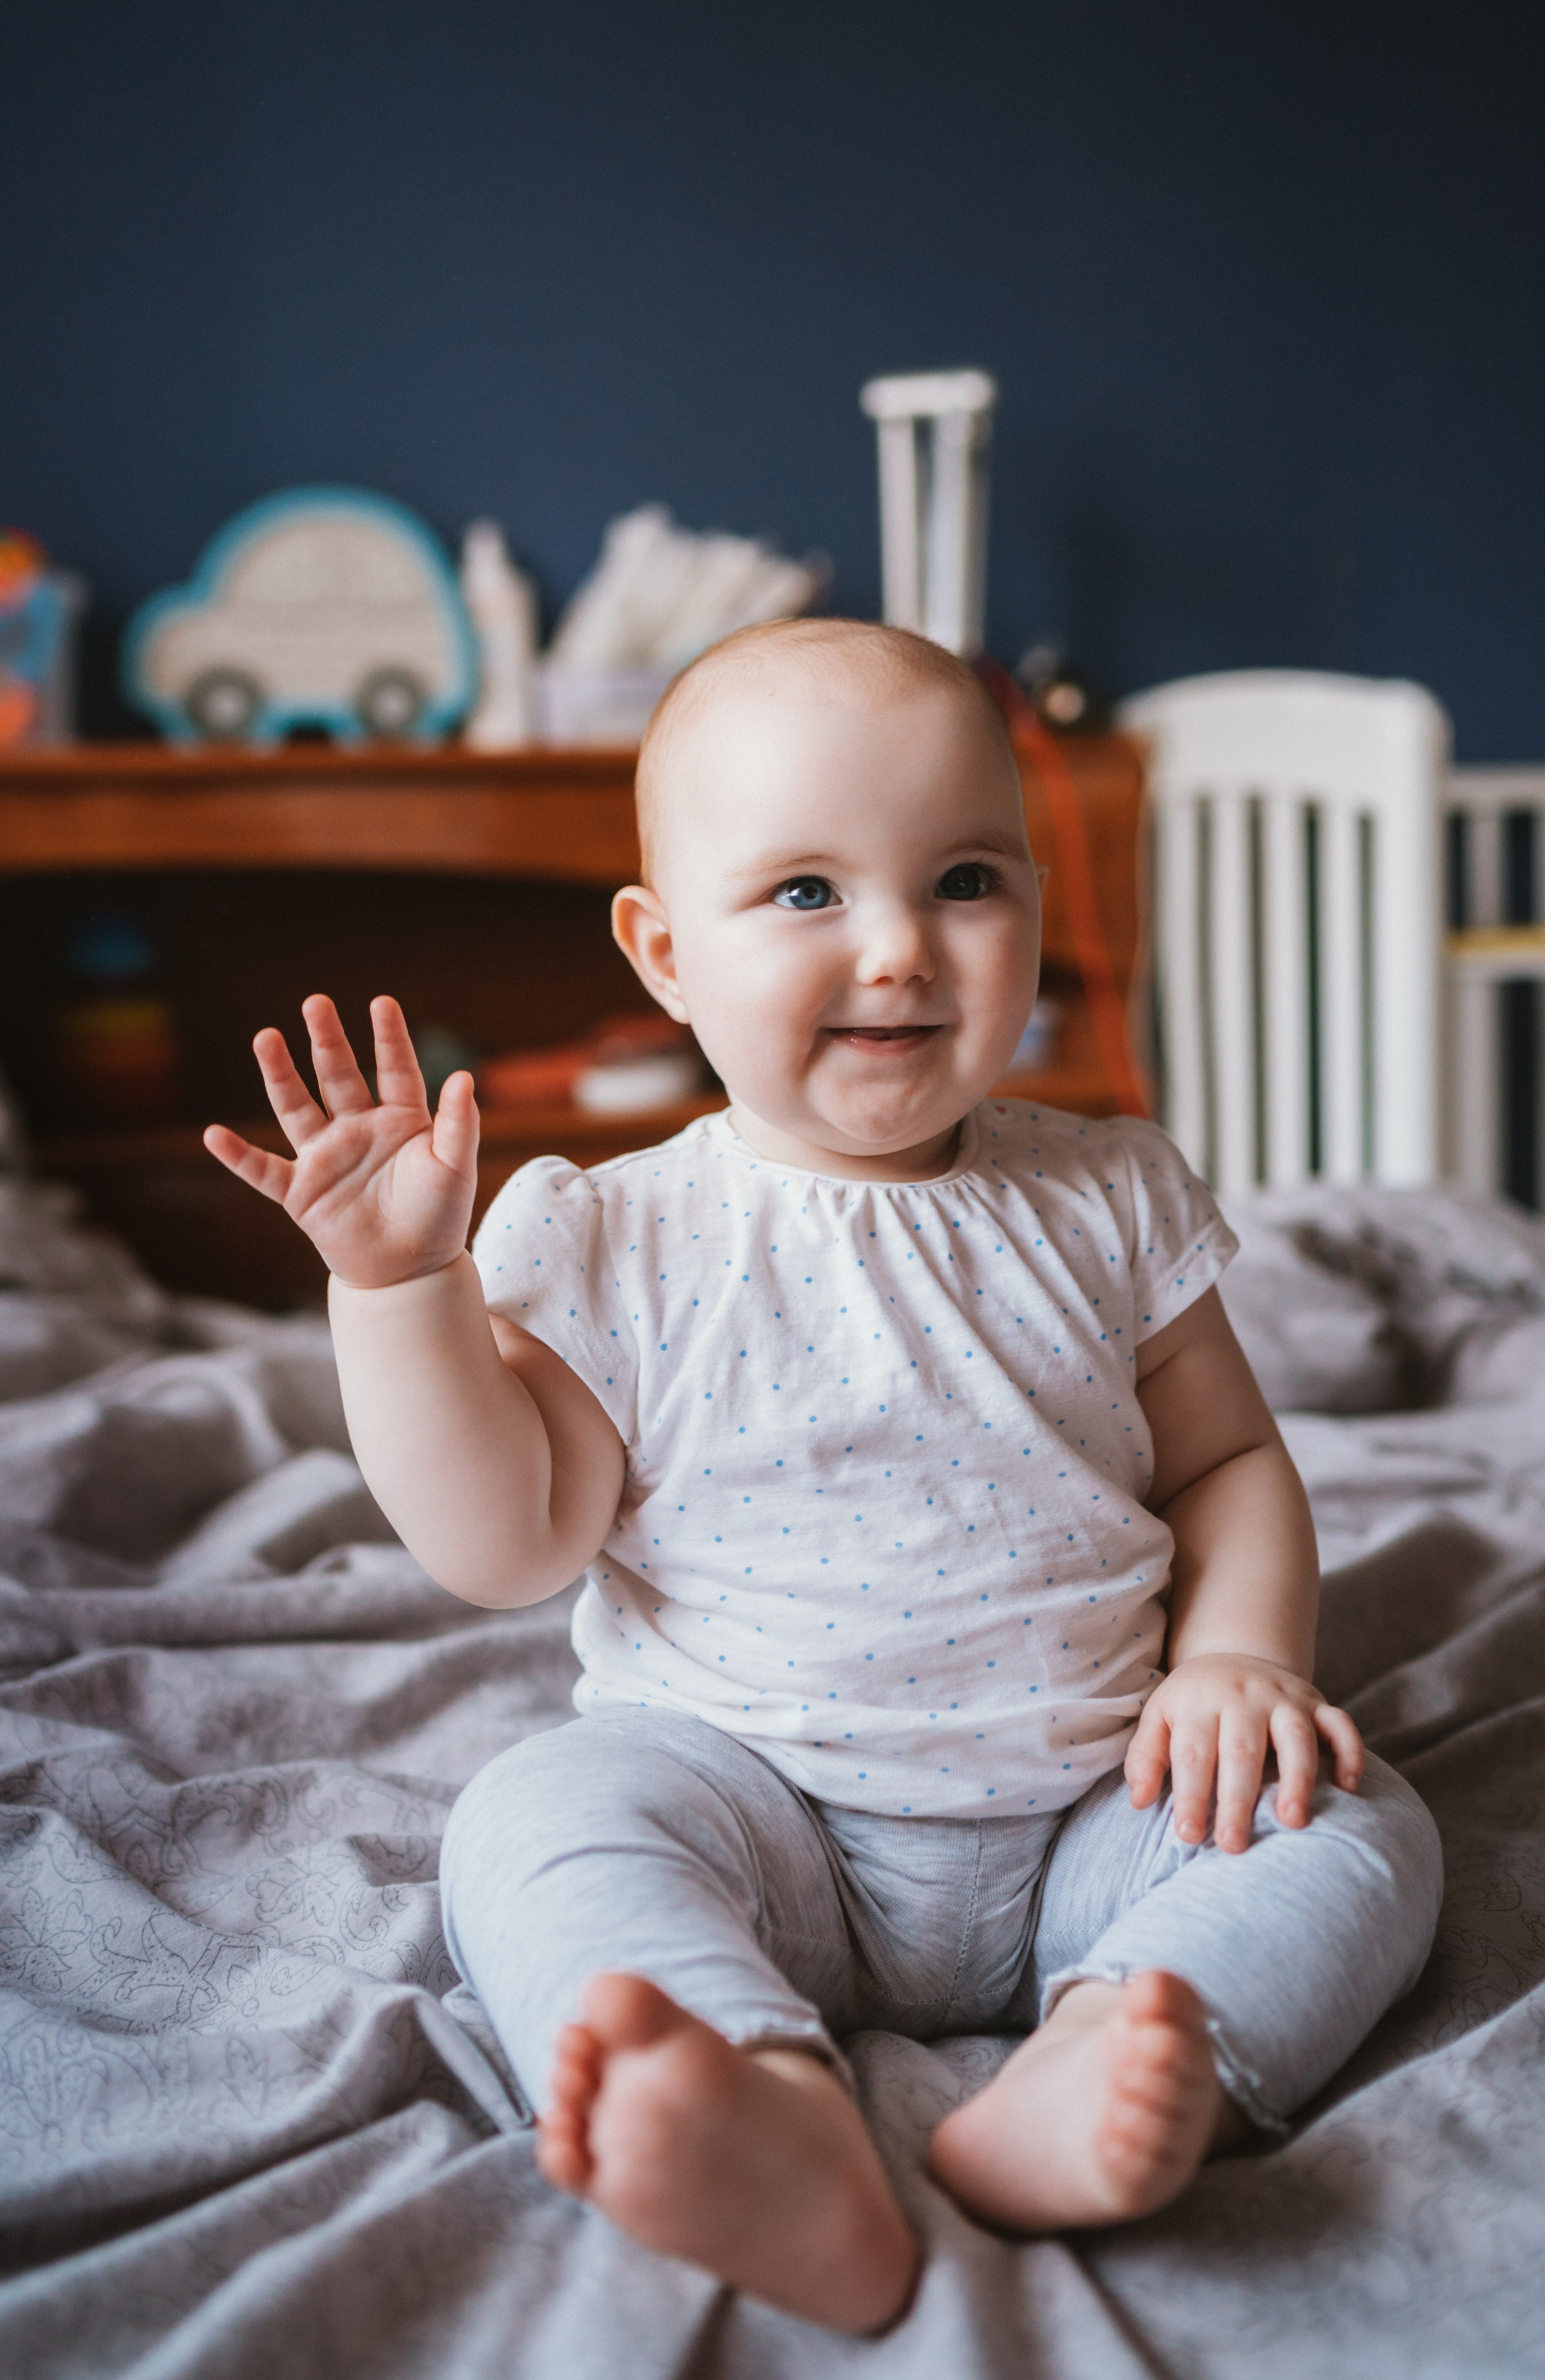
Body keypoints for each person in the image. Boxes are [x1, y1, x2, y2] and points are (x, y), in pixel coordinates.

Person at [204, 619, 1441, 2338]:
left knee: (1358, 1827)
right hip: (754, 1807)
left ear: (1033, 904)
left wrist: (1241, 1660)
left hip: (1101, 1798)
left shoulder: (1111, 1193)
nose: (899, 947)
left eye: (964, 880)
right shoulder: (618, 1234)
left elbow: (1228, 1459)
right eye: (804, 891)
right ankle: (760, 2107)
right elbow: (509, 1545)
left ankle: (1110, 2063)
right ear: (666, 954)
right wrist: (403, 1292)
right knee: (534, 1819)